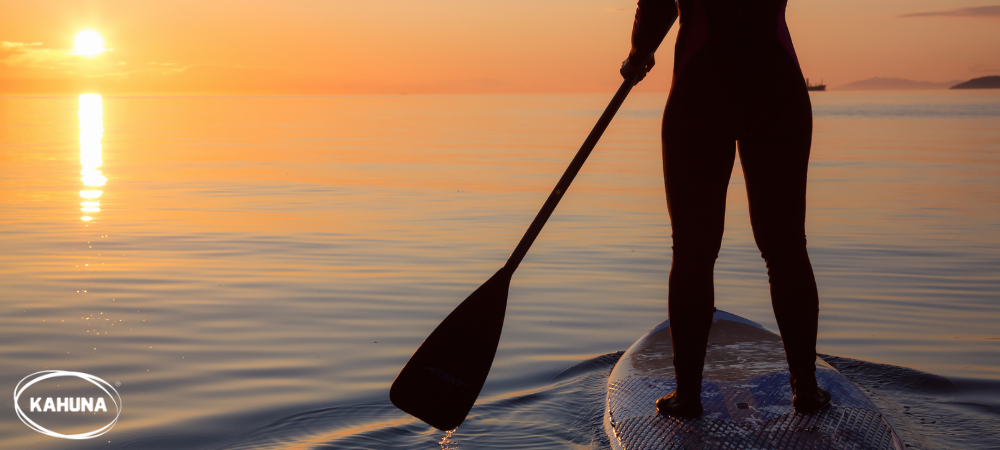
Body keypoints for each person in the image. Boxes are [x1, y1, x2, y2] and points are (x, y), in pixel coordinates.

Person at [620, 0, 831, 418]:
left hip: (702, 88)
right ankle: (805, 388)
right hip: (775, 85)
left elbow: (658, 4)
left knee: (694, 253)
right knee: (786, 247)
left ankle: (688, 395)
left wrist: (639, 51)